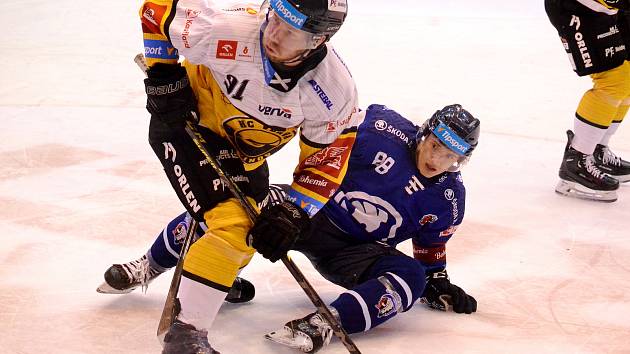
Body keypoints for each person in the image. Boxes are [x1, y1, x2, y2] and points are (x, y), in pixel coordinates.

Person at [102, 103, 479, 353]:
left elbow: (430, 252)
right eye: (435, 147)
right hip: (306, 209)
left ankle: (324, 324)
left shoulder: (448, 200)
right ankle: (150, 264)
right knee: (234, 208)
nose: (438, 161)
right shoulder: (380, 128)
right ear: (424, 134)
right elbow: (320, 135)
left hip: (353, 252)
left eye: (451, 157)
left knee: (409, 277)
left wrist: (438, 281)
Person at [139, 0, 358, 352]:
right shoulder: (225, 28)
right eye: (274, 21)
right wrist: (164, 76)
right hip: (187, 124)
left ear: (318, 41)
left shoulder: (334, 91)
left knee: (256, 234)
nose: (273, 34)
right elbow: (158, 10)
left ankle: (211, 277)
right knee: (234, 226)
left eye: (291, 33)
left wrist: (293, 211)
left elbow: (327, 159)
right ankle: (185, 338)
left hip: (245, 158)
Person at [545, 0, 630, 202]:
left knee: (627, 75)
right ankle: (577, 161)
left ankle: (597, 151)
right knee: (614, 80)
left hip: (606, 8)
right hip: (578, 8)